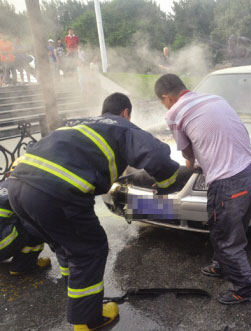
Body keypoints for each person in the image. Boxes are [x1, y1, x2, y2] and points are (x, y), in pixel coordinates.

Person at [8, 92, 180, 330]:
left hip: (17, 188)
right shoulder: (122, 126)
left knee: (65, 242)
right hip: (56, 194)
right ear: (126, 113)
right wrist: (166, 185)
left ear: (101, 112)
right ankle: (88, 320)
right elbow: (157, 155)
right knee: (90, 249)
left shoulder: (77, 123)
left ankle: (75, 286)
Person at [155, 74, 251, 305]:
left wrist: (188, 167)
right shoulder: (215, 99)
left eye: (162, 101)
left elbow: (187, 154)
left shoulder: (174, 113)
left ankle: (246, 287)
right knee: (234, 230)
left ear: (166, 98)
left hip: (228, 183)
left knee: (225, 238)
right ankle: (223, 266)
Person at [1, 166, 50, 275]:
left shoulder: (3, 185)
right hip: (2, 247)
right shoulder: (26, 189)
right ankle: (22, 266)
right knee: (35, 227)